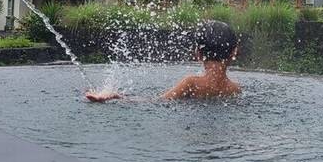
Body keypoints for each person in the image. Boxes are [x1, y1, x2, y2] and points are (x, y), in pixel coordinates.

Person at [85, 20, 241, 102]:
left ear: (197, 54)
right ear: (234, 52)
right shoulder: (235, 89)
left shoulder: (192, 83)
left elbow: (157, 102)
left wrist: (116, 96)